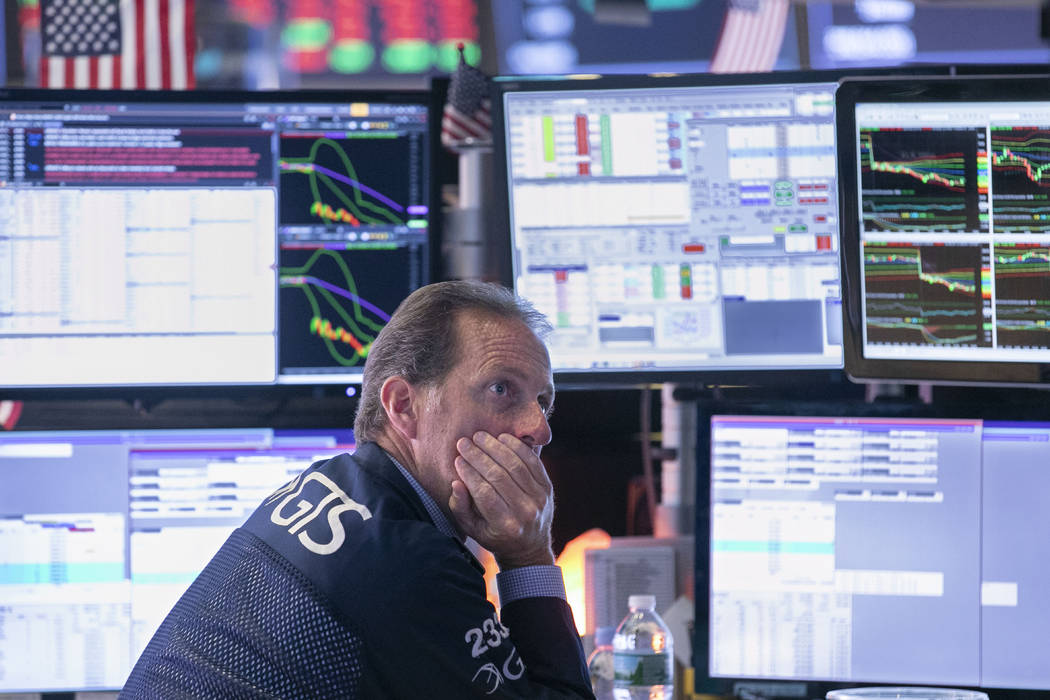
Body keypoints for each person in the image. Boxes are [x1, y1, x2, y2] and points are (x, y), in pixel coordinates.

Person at [120, 280, 594, 698]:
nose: (539, 428)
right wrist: (528, 556)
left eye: (543, 402)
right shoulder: (408, 562)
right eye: (501, 389)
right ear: (404, 406)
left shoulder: (319, 487)